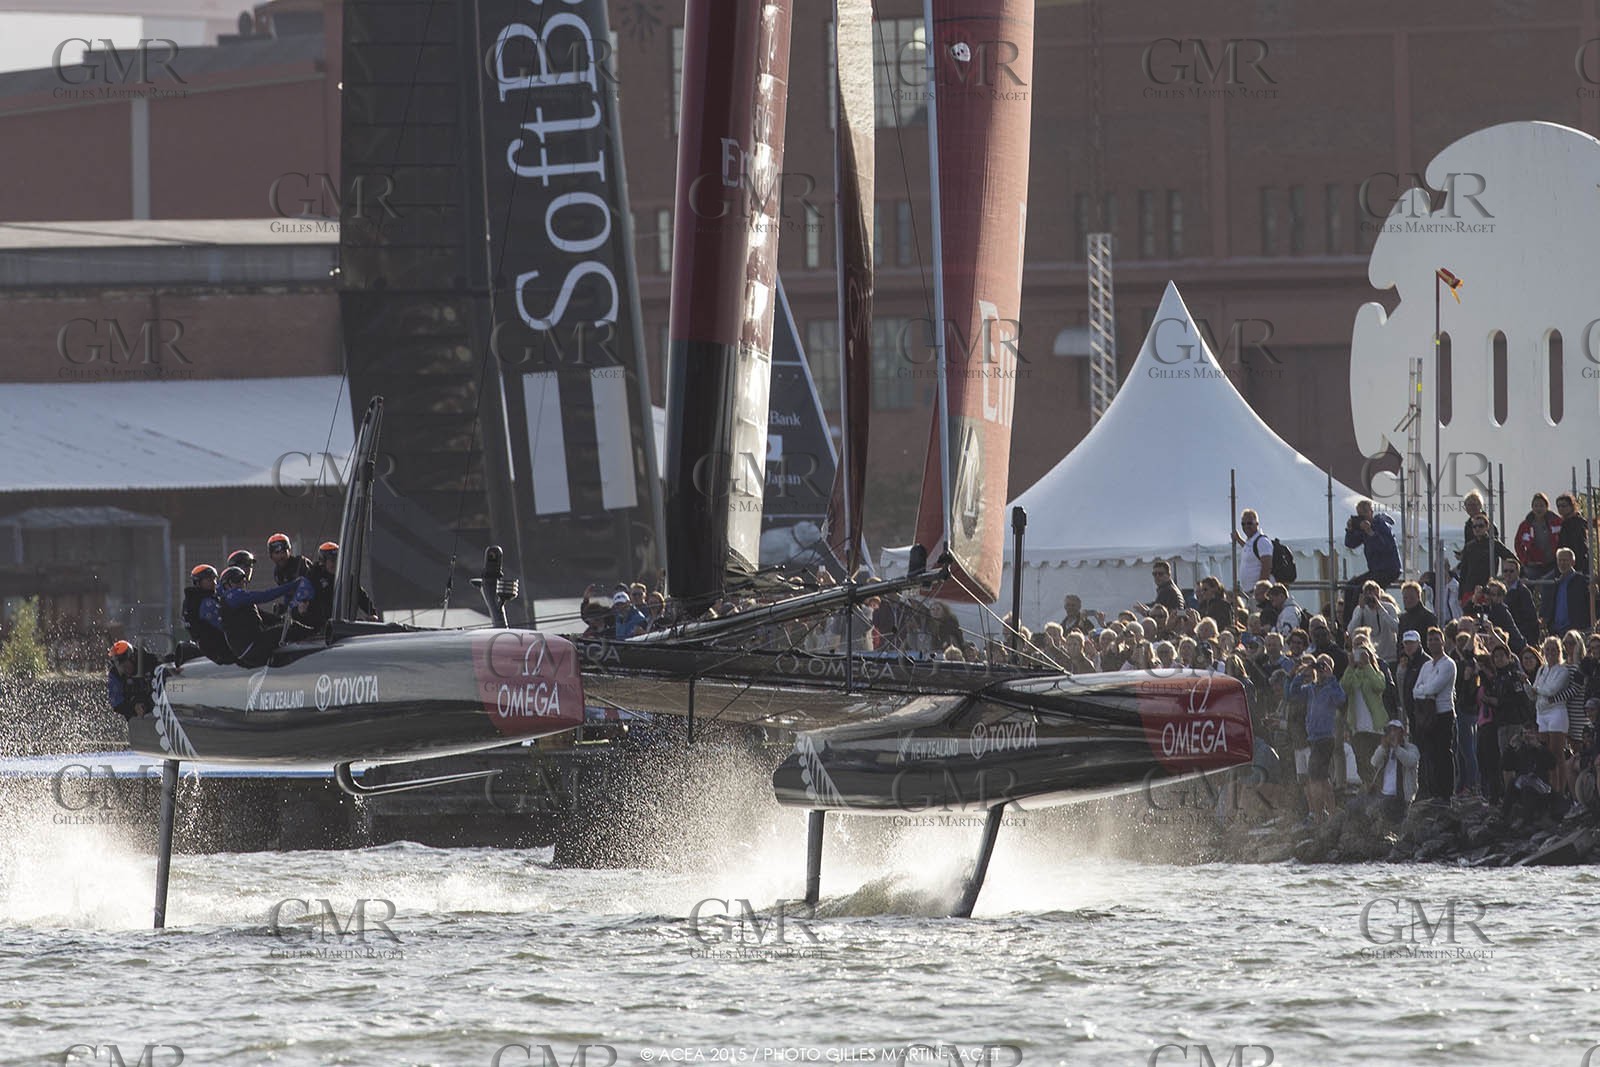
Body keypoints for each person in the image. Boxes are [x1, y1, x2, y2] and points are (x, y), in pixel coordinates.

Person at [1289, 653, 1345, 820]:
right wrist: (1303, 671)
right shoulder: (1311, 689)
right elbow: (1293, 693)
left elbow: (1340, 700)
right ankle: (1330, 812)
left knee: (1315, 778)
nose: (1320, 669)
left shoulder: (1331, 688)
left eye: (1324, 666)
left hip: (1325, 737)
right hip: (1313, 738)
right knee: (1321, 777)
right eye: (1318, 666)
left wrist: (1331, 678)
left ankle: (1321, 815)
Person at [218, 565, 308, 668]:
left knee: (285, 628)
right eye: (237, 580)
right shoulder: (232, 596)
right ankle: (314, 638)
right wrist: (294, 585)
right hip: (252, 646)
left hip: (248, 650)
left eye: (243, 580)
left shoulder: (235, 601)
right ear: (227, 585)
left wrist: (281, 620)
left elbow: (263, 617)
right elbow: (265, 596)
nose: (242, 583)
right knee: (292, 628)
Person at [1482, 643, 1534, 802]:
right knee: (1505, 761)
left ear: (1509, 657)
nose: (1498, 659)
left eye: (1501, 656)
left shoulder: (1514, 675)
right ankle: (1509, 795)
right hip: (1501, 724)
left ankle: (1521, 796)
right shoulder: (1497, 678)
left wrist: (1497, 701)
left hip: (1515, 722)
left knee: (1517, 759)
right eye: (1495, 657)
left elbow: (1519, 699)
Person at [1342, 499, 1401, 630]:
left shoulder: (1381, 525)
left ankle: (1357, 620)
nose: (1362, 517)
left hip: (1389, 569)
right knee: (1350, 586)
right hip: (1375, 569)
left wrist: (1370, 532)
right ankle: (1346, 625)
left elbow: (1384, 546)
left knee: (1360, 590)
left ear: (1371, 512)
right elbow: (1350, 544)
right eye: (1359, 514)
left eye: (1364, 513)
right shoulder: (1363, 528)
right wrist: (1350, 530)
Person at [1532, 637, 1577, 797]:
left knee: (1556, 753)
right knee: (1546, 755)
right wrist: (1529, 686)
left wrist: (1537, 689)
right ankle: (1551, 788)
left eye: (1554, 649)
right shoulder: (1542, 670)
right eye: (1548, 649)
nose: (1550, 652)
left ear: (1559, 651)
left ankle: (1561, 790)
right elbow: (1533, 692)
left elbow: (1552, 690)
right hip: (1542, 713)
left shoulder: (1562, 670)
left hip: (1556, 713)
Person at [1340, 645, 1388, 783]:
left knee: (1376, 763)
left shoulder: (1376, 673)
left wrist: (1367, 665)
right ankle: (1369, 790)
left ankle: (1378, 792)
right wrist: (1350, 666)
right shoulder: (1354, 675)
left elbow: (1379, 685)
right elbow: (1344, 685)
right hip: (1358, 729)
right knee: (1362, 765)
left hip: (1375, 728)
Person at [303, 542, 377, 629]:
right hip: (319, 628)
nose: (335, 564)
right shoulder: (313, 577)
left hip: (344, 625)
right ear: (323, 562)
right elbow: (302, 600)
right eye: (332, 560)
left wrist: (372, 613)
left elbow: (360, 595)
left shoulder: (346, 577)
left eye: (338, 559)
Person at [1360, 718, 1419, 823]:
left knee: (1383, 810)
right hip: (1383, 794)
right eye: (1390, 730)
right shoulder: (1385, 749)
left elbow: (1410, 761)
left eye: (1395, 730)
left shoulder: (1411, 748)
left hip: (1402, 797)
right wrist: (1383, 747)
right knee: (1358, 805)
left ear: (1402, 733)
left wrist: (1397, 748)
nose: (1392, 734)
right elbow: (1374, 762)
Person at [180, 563, 236, 665]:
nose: (214, 583)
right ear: (198, 582)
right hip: (218, 650)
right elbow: (224, 626)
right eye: (210, 580)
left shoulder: (191, 599)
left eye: (215, 579)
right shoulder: (205, 602)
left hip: (206, 647)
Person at [1458, 516, 1515, 606]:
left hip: (1488, 590)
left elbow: (1512, 559)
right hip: (1470, 590)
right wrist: (1460, 596)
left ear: (1487, 527)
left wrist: (1514, 575)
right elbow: (1463, 572)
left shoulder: (1494, 544)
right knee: (1469, 618)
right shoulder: (1469, 546)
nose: (1477, 529)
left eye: (1480, 526)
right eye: (1474, 526)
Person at [1543, 547, 1593, 635]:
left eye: (1565, 560)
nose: (1562, 563)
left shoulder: (1582, 581)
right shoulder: (1554, 583)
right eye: (1560, 560)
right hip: (1557, 632)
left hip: (1576, 631)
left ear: (1573, 562)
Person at [1349, 581, 1400, 662]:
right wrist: (1361, 609)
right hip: (1370, 659)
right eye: (1367, 595)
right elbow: (1351, 631)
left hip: (1390, 657)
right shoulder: (1359, 610)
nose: (1370, 598)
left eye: (1373, 594)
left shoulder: (1389, 608)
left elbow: (1396, 628)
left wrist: (1380, 609)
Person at [1514, 493, 1560, 582]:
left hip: (1552, 563)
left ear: (1547, 507)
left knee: (1549, 586)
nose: (1539, 509)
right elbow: (1518, 543)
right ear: (1532, 507)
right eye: (1536, 506)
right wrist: (1524, 560)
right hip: (1533, 564)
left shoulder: (1556, 522)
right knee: (1528, 584)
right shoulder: (1525, 525)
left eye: (1542, 506)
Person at [105, 641, 152, 720]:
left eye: (126, 666)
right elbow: (116, 702)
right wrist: (134, 707)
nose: (124, 670)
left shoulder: (147, 660)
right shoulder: (115, 674)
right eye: (121, 667)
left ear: (132, 658)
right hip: (136, 715)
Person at [1498, 560, 1540, 646]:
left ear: (1518, 572)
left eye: (1511, 571)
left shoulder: (1523, 592)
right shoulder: (1500, 591)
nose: (1508, 574)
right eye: (1505, 571)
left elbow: (1531, 619)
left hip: (1518, 638)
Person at [1555, 493, 1592, 577]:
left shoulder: (1577, 523)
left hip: (1576, 566)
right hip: (1564, 564)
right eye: (1559, 506)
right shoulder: (1564, 523)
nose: (1561, 509)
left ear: (1572, 506)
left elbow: (1581, 547)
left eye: (1564, 506)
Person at [1237, 509, 1274, 584]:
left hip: (1258, 592)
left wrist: (1261, 590)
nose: (1246, 526)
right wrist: (1238, 539)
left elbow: (1266, 567)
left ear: (1257, 523)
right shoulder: (1251, 542)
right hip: (1250, 593)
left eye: (1249, 523)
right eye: (1243, 524)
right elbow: (1250, 550)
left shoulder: (1262, 541)